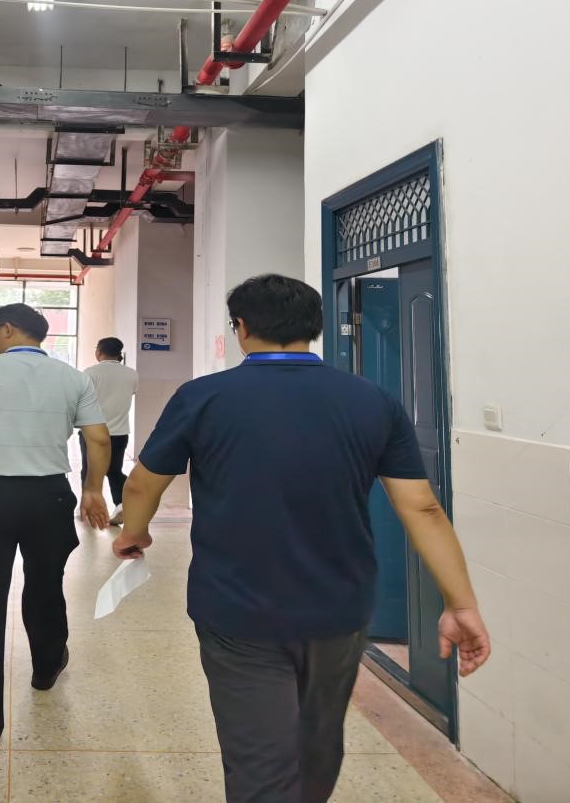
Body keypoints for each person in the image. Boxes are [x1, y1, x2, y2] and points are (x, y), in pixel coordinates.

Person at [114, 274, 490, 803]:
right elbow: (423, 508)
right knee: (318, 744)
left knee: (259, 760)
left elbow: (141, 483)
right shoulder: (372, 400)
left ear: (242, 328)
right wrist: (461, 603)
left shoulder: (203, 397)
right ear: (314, 328)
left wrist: (133, 535)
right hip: (339, 608)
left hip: (238, 609)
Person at [0, 302, 113, 757]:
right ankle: (47, 664)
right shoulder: (73, 378)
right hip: (50, 496)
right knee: (46, 583)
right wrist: (93, 488)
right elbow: (97, 437)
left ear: (9, 330)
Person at [81, 336, 138, 526]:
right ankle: (121, 504)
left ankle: (88, 508)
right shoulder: (132, 374)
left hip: (93, 431)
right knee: (114, 470)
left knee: (89, 470)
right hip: (120, 432)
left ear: (99, 352)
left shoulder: (90, 373)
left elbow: (83, 400)